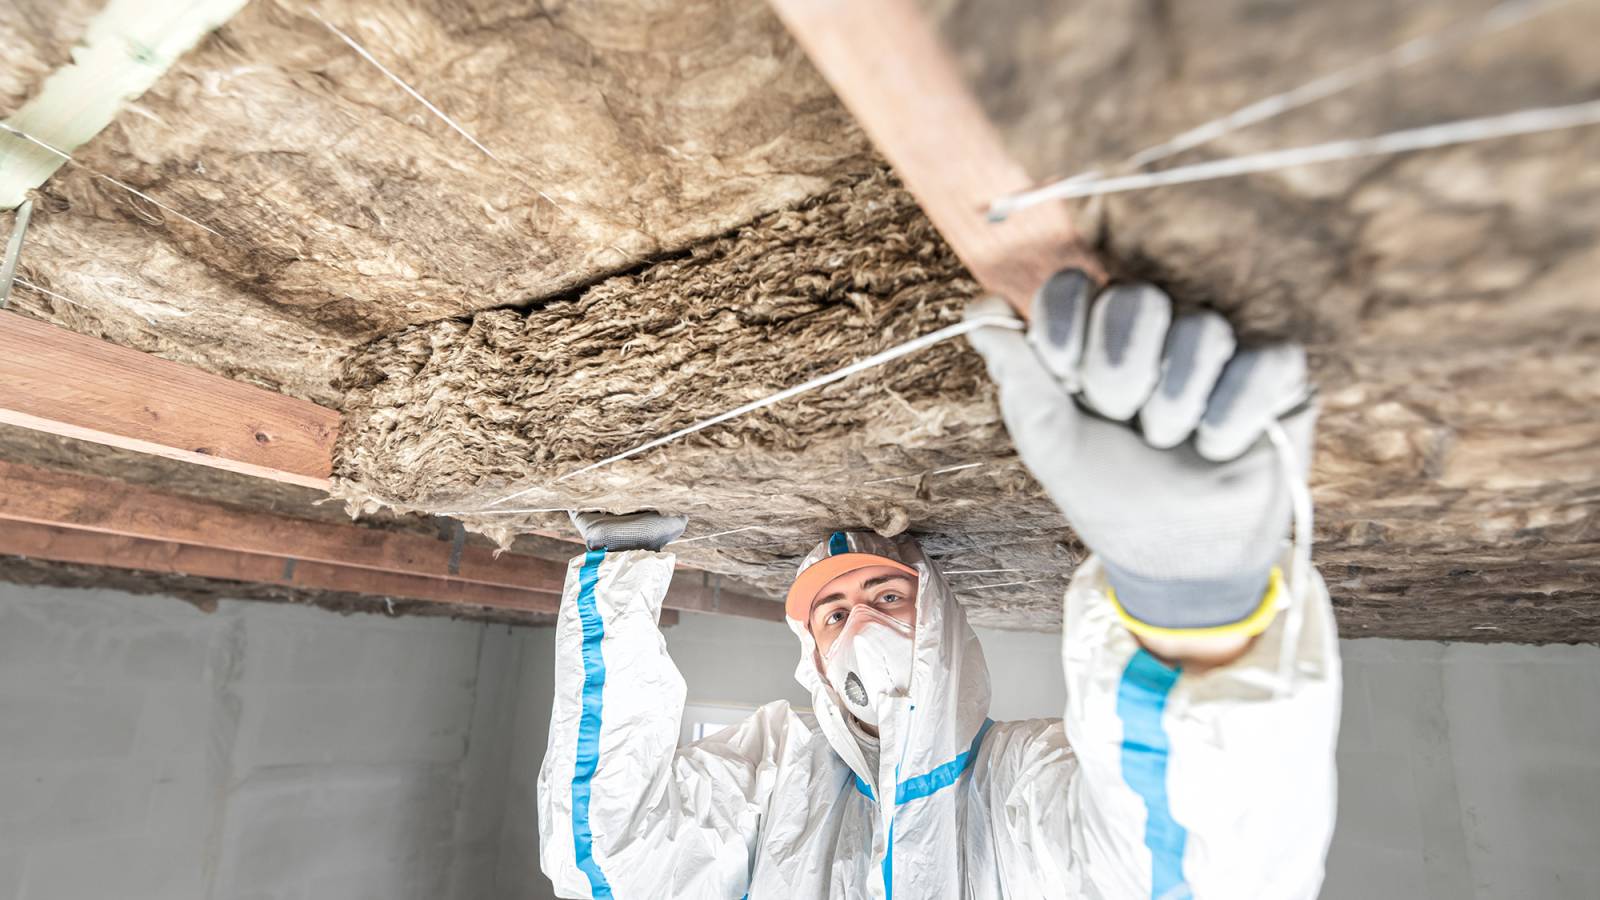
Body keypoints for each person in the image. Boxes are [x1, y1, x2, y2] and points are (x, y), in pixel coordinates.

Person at [537, 272, 1342, 899]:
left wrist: (1187, 600)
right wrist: (622, 576)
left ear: (940, 628)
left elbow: (1198, 858)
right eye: (834, 613)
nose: (860, 628)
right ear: (812, 657)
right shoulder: (780, 770)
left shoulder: (1028, 778)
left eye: (887, 599)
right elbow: (616, 857)